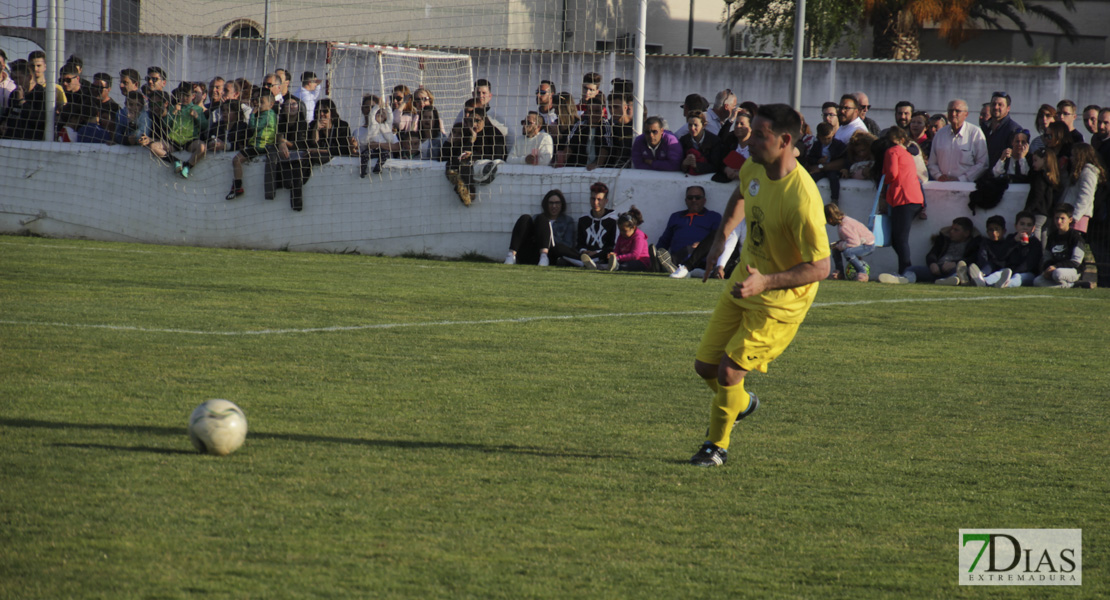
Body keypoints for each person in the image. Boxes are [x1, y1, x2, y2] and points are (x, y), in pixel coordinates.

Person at [687, 103, 830, 467]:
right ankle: (742, 403)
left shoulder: (803, 198)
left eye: (759, 135)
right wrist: (722, 237)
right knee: (705, 367)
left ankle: (716, 447)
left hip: (779, 302)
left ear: (784, 141)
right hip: (745, 281)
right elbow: (741, 194)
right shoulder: (754, 166)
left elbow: (821, 266)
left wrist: (767, 281)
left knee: (729, 370)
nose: (749, 140)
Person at [877, 217, 980, 285]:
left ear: (966, 233)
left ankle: (949, 281)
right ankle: (904, 279)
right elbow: (932, 254)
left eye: (956, 230)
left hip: (954, 269)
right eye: (951, 229)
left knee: (959, 271)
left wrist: (956, 264)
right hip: (937, 269)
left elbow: (974, 258)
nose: (951, 232)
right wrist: (932, 264)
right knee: (912, 269)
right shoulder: (944, 239)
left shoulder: (974, 243)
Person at [441, 102, 507, 206]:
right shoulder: (468, 133)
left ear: (484, 120)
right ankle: (462, 186)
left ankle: (468, 190)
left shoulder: (494, 134)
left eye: (477, 121)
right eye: (471, 121)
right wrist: (471, 140)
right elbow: (453, 154)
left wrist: (474, 156)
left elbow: (498, 156)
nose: (474, 124)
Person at [653, 185, 723, 277]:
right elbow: (665, 240)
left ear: (704, 200)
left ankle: (674, 267)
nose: (693, 200)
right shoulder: (676, 217)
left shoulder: (714, 217)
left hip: (700, 258)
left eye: (697, 198)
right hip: (678, 256)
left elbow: (717, 238)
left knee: (690, 249)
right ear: (686, 200)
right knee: (662, 252)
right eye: (690, 198)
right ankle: (665, 264)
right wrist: (658, 252)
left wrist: (701, 245)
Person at [968, 212, 1043, 288]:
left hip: (1027, 273)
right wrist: (1014, 241)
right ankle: (983, 281)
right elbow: (1001, 256)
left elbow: (1029, 264)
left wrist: (1014, 272)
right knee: (998, 274)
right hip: (1008, 270)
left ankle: (1005, 284)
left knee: (1017, 277)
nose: (1025, 227)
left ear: (1033, 228)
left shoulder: (1035, 243)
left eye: (1029, 225)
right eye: (1022, 224)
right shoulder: (1011, 238)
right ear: (1016, 226)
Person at [504, 189, 577, 266]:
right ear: (546, 204)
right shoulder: (537, 218)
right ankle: (511, 255)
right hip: (532, 253)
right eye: (551, 203)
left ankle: (544, 256)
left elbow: (568, 245)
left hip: (551, 254)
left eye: (557, 203)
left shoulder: (568, 221)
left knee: (542, 219)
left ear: (562, 204)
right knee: (525, 218)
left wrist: (547, 240)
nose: (554, 206)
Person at [227, 92, 277, 199]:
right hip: (258, 146)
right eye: (255, 100)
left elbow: (254, 127)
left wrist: (252, 115)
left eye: (261, 101)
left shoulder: (268, 115)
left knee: (236, 160)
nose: (257, 103)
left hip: (261, 147)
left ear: (271, 104)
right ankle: (237, 186)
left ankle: (238, 186)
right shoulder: (267, 114)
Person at [928, 99, 988, 182]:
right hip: (942, 186)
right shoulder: (940, 134)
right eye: (950, 111)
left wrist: (961, 179)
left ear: (966, 114)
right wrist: (938, 176)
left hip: (966, 187)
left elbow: (982, 163)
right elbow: (932, 163)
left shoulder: (975, 133)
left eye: (957, 111)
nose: (953, 114)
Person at [1060, 143, 1107, 234]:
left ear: (1080, 156)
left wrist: (1075, 216)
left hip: (1077, 216)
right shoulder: (1078, 171)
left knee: (1073, 241)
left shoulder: (1088, 173)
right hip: (1069, 214)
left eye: (1073, 155)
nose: (1071, 158)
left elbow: (1086, 196)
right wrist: (1063, 172)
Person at [1034, 204, 1085, 288]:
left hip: (1072, 271)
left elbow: (1076, 261)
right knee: (1037, 281)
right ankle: (1072, 286)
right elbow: (1047, 257)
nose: (1058, 221)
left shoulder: (1076, 237)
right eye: (1056, 218)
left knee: (1057, 274)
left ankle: (1074, 282)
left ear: (1070, 219)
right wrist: (1047, 269)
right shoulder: (1052, 236)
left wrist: (1055, 267)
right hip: (1054, 269)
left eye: (1062, 218)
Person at [573, 181, 618, 269]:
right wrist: (584, 251)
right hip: (585, 255)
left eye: (599, 199)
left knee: (609, 254)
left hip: (601, 254)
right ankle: (587, 262)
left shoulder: (613, 221)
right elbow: (580, 242)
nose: (595, 203)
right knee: (559, 248)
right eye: (593, 199)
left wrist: (596, 252)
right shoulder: (583, 220)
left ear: (606, 201)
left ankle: (585, 263)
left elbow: (612, 245)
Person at [556, 97, 611, 169]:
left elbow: (606, 146)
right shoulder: (580, 125)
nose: (593, 114)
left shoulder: (606, 125)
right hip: (580, 166)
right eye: (590, 111)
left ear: (602, 112)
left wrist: (597, 164)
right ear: (586, 112)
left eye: (597, 111)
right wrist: (561, 162)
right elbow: (571, 144)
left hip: (599, 168)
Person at [824, 203, 875, 281]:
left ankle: (862, 272)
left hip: (867, 245)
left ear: (830, 219)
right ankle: (839, 272)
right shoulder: (842, 222)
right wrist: (838, 245)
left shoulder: (844, 226)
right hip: (860, 243)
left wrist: (840, 245)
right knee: (835, 249)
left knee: (848, 252)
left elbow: (855, 243)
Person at [1023, 147, 1062, 244]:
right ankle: (1044, 256)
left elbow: (1037, 195)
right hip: (1048, 213)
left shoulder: (1039, 177)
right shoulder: (1051, 177)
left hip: (1039, 211)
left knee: (1036, 231)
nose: (1033, 164)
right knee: (1044, 234)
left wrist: (1028, 210)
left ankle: (1036, 252)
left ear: (1044, 160)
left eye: (1035, 160)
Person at [356, 95, 396, 176]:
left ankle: (378, 167)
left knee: (385, 154)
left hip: (383, 149)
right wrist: (377, 106)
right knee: (365, 154)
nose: (379, 116)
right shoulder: (373, 124)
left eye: (382, 115)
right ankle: (363, 170)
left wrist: (388, 107)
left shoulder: (387, 126)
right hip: (372, 150)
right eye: (378, 114)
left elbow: (391, 118)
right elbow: (372, 114)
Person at [983, 91, 1025, 167]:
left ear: (1008, 108)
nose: (996, 107)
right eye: (993, 104)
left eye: (1000, 105)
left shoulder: (1014, 130)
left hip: (1002, 176)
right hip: (983, 174)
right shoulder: (985, 127)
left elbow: (1015, 160)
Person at [604, 206, 651, 272]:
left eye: (624, 230)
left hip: (640, 262)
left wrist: (617, 258)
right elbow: (617, 250)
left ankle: (613, 267)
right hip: (625, 260)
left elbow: (635, 256)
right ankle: (602, 265)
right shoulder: (621, 236)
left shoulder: (638, 237)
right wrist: (613, 255)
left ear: (633, 228)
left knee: (624, 266)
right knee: (607, 253)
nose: (621, 233)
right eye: (620, 230)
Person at [678, 111, 721, 176]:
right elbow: (678, 163)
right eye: (690, 125)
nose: (692, 128)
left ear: (704, 125)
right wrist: (684, 164)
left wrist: (697, 166)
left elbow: (716, 166)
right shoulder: (683, 140)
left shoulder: (714, 141)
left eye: (695, 125)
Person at [607, 92, 635, 168]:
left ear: (625, 107)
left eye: (616, 107)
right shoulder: (613, 128)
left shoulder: (636, 126)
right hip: (619, 168)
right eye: (610, 107)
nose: (612, 111)